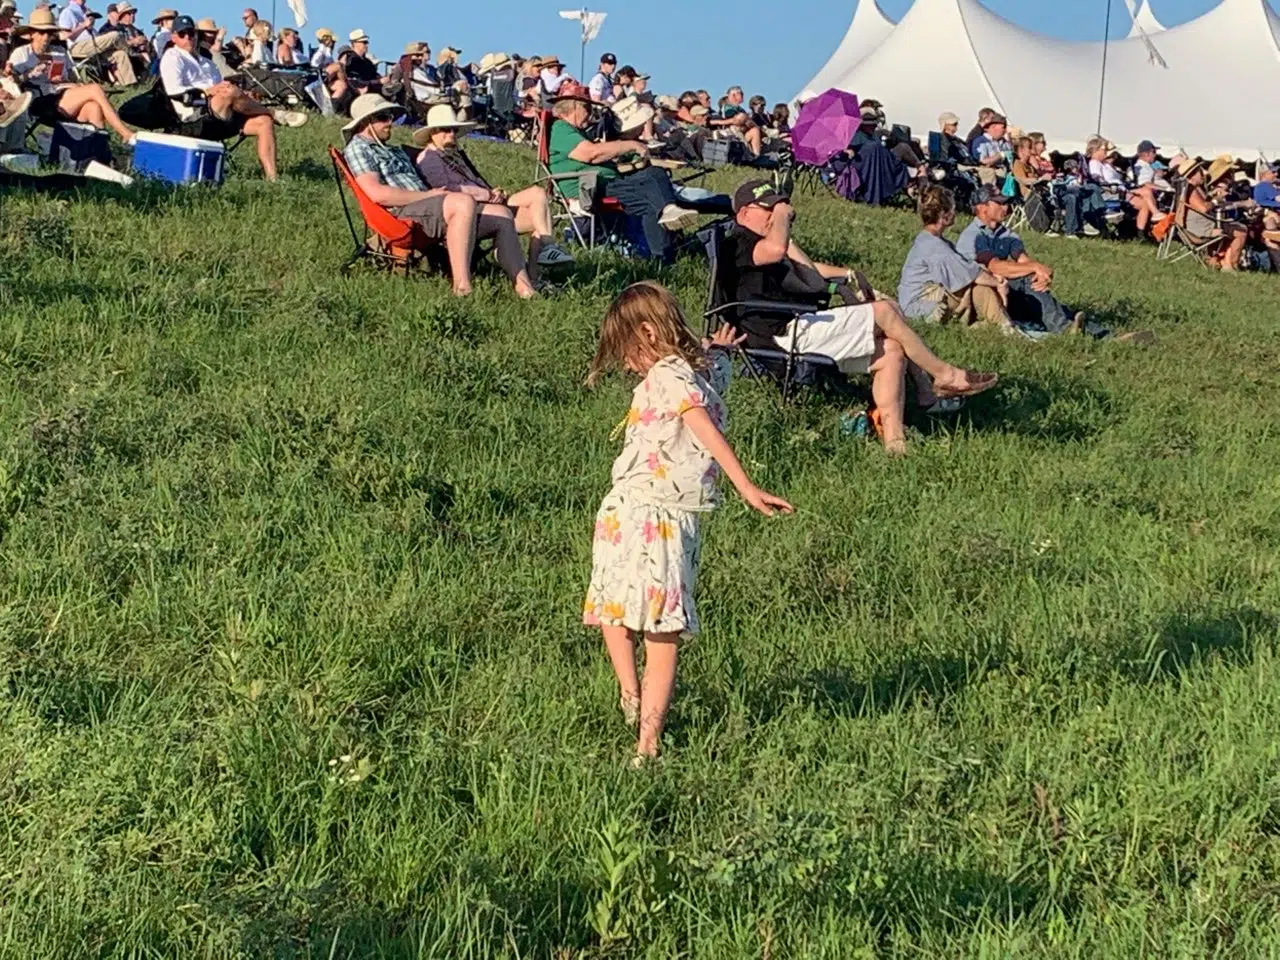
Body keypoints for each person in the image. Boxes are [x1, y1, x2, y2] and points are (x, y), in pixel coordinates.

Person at [582, 281, 795, 763]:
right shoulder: (681, 372)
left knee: (613, 606)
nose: (627, 362)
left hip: (636, 510)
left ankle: (631, 699)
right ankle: (648, 739)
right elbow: (704, 398)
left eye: (628, 350)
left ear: (647, 332)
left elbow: (700, 418)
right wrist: (745, 486)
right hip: (656, 513)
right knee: (661, 628)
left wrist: (744, 484)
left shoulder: (671, 373)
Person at [727, 179, 1000, 453]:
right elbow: (775, 251)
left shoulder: (773, 245)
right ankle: (941, 376)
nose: (775, 215)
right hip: (782, 336)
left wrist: (838, 277)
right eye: (768, 210)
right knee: (885, 310)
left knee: (892, 351)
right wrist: (783, 217)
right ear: (744, 214)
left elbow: (813, 282)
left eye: (778, 209)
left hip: (799, 325)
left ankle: (896, 443)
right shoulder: (741, 241)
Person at [342, 93, 537, 298]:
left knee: (502, 215)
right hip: (399, 214)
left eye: (390, 116)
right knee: (462, 202)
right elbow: (377, 194)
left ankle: (525, 288)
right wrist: (428, 196)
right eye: (383, 117)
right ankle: (462, 287)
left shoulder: (393, 150)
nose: (390, 122)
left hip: (426, 206)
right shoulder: (359, 148)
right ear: (366, 121)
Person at [547, 82, 731, 260]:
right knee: (655, 178)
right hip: (590, 188)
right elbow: (590, 155)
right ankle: (671, 211)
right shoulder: (561, 128)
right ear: (573, 107)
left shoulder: (577, 132)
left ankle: (661, 257)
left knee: (651, 197)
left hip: (600, 184)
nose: (590, 113)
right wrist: (630, 145)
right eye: (587, 107)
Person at [413, 102, 575, 278]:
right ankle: (539, 259)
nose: (451, 134)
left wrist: (493, 192)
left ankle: (541, 260)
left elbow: (473, 181)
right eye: (446, 130)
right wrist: (486, 194)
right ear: (433, 132)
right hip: (469, 210)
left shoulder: (454, 155)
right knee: (538, 217)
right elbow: (445, 189)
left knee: (538, 200)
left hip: (487, 201)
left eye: (453, 130)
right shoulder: (429, 158)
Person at [161, 15, 304, 181]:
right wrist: (208, 91)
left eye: (191, 33)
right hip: (193, 114)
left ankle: (272, 178)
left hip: (220, 113)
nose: (188, 37)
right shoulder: (172, 57)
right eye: (182, 33)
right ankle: (273, 112)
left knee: (263, 121)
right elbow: (174, 91)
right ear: (173, 37)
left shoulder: (206, 62)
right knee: (229, 91)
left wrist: (241, 96)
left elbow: (221, 85)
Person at [7, 6, 136, 142]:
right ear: (31, 33)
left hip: (63, 94)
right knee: (95, 89)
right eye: (41, 33)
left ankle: (99, 154)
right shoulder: (22, 54)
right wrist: (30, 73)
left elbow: (72, 77)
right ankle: (125, 134)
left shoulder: (60, 52)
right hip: (40, 101)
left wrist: (64, 80)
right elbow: (11, 84)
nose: (46, 37)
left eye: (49, 33)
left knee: (93, 107)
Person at [898, 184, 1013, 332]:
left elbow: (967, 266)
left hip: (917, 304)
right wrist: (999, 283)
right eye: (952, 209)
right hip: (921, 308)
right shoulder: (935, 247)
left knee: (977, 282)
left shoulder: (932, 240)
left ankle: (1000, 323)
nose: (955, 213)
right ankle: (1003, 325)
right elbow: (972, 275)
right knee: (977, 285)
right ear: (943, 214)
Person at [1184, 157, 1248, 272]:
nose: (1203, 173)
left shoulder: (1192, 189)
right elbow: (1203, 208)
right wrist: (1216, 200)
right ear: (1191, 176)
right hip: (1199, 229)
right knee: (1241, 231)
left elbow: (1202, 203)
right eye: (1199, 171)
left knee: (1235, 227)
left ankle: (1224, 262)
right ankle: (1231, 266)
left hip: (1200, 225)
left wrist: (1210, 197)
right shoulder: (1191, 190)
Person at [1086, 136, 1160, 234]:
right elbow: (1098, 180)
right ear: (1096, 150)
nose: (1106, 152)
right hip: (1113, 193)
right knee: (1146, 192)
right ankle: (1154, 218)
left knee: (1145, 202)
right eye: (1104, 149)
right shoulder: (1095, 163)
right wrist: (1113, 187)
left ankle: (1142, 232)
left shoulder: (1105, 165)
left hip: (1120, 190)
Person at [57, 0, 136, 85]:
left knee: (120, 54)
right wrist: (83, 25)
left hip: (92, 46)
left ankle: (130, 85)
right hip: (77, 47)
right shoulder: (68, 12)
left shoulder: (85, 12)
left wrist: (91, 27)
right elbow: (63, 36)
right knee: (115, 35)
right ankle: (133, 54)